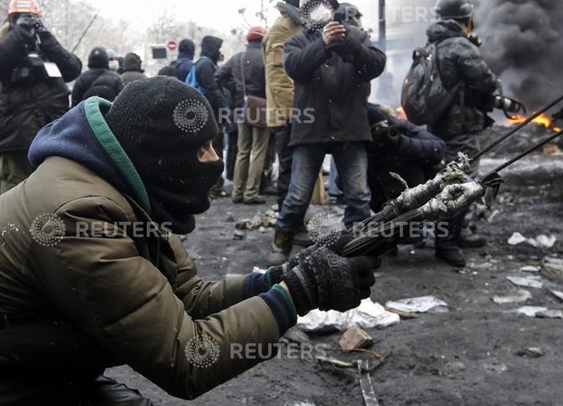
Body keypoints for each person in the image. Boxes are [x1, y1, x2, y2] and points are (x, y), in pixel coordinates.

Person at [0, 76, 379, 405]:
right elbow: (186, 359)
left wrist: (278, 279)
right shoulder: (79, 216)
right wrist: (298, 295)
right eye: (202, 149)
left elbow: (187, 298)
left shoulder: (125, 187)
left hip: (49, 372)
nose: (214, 162)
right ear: (161, 156)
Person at [268, 0, 386, 264]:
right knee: (297, 195)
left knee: (358, 195)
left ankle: (357, 247)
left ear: (334, 9)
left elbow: (376, 64)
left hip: (350, 128)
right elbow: (295, 68)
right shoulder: (296, 42)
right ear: (304, 13)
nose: (321, 12)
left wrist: (348, 45)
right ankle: (281, 243)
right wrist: (323, 44)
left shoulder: (355, 35)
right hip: (311, 130)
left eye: (326, 6)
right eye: (313, 7)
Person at [424, 0, 499, 266]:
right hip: (460, 128)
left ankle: (456, 232)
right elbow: (485, 82)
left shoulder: (433, 43)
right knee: (463, 184)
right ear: (465, 18)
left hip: (438, 125)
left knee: (450, 180)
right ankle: (446, 242)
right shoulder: (459, 45)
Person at [0, 0, 81, 194]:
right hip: (15, 135)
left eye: (31, 17)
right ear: (11, 19)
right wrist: (20, 34)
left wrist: (45, 36)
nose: (27, 21)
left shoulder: (44, 44)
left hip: (50, 131)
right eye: (21, 17)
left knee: (50, 190)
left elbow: (72, 69)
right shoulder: (6, 42)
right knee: (14, 190)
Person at [263, 0, 314, 210]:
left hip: (298, 112)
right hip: (289, 115)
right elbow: (280, 79)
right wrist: (296, 113)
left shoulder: (298, 26)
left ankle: (294, 221)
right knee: (289, 171)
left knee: (299, 171)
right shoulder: (282, 29)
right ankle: (288, 225)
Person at [216, 26, 270, 205]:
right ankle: (251, 193)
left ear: (248, 41)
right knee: (259, 151)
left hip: (241, 107)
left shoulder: (237, 58)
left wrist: (236, 90)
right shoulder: (266, 56)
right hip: (262, 106)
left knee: (242, 151)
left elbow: (219, 77)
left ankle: (238, 192)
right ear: (262, 40)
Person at [366, 103, 446, 213]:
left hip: (427, 189)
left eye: (382, 125)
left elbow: (438, 149)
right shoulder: (362, 149)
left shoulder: (399, 127)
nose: (379, 131)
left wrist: (399, 143)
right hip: (395, 206)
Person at [193, 35, 228, 197]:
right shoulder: (206, 64)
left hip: (206, 114)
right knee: (214, 149)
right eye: (218, 48)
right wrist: (224, 109)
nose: (219, 52)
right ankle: (212, 187)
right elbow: (212, 89)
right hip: (210, 115)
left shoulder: (202, 63)